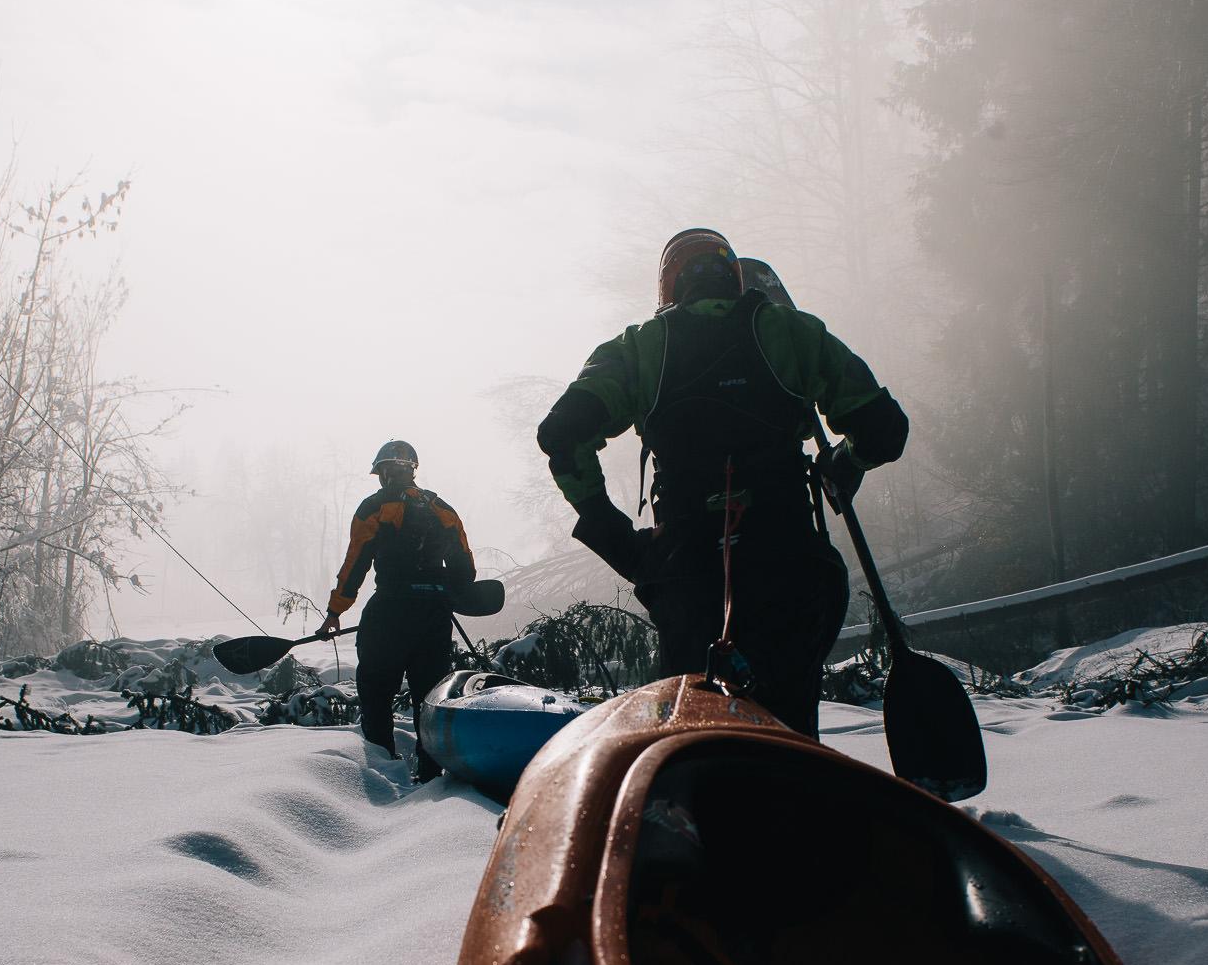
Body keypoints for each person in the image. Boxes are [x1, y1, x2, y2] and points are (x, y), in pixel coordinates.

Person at [534, 227, 909, 738]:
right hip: (790, 559)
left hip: (687, 571)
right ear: (731, 275)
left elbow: (561, 433)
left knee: (696, 740)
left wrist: (611, 532)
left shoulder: (637, 348)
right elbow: (884, 429)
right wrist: (846, 461)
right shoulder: (794, 331)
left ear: (669, 284)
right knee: (790, 733)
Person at [317, 439, 476, 781]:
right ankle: (433, 774)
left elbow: (355, 563)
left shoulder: (374, 507)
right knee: (431, 697)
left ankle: (382, 772)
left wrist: (335, 611)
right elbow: (465, 570)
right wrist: (443, 592)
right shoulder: (442, 509)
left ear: (384, 472)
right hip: (435, 616)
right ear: (411, 469)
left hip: (388, 611)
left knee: (375, 691)